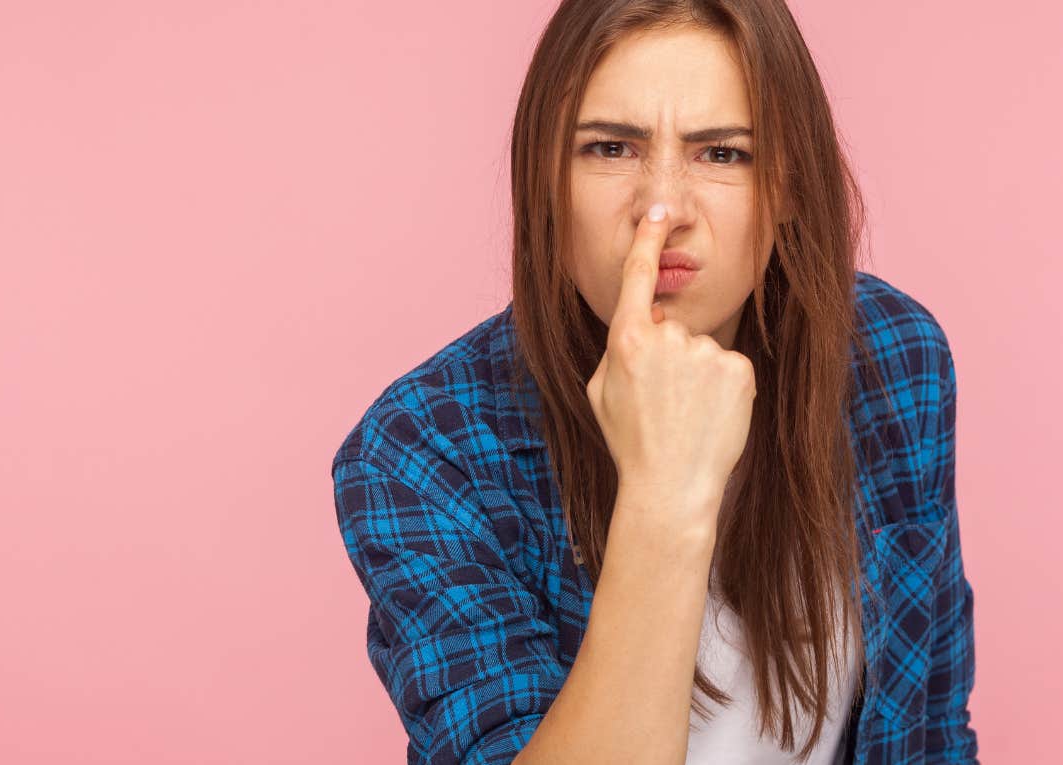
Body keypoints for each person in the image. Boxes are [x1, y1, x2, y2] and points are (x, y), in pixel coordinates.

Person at [330, 1, 979, 763]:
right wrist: (664, 498)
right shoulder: (419, 453)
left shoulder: (896, 361)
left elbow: (931, 734)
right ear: (545, 179)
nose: (663, 209)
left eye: (723, 154)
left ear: (791, 184)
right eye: (611, 147)